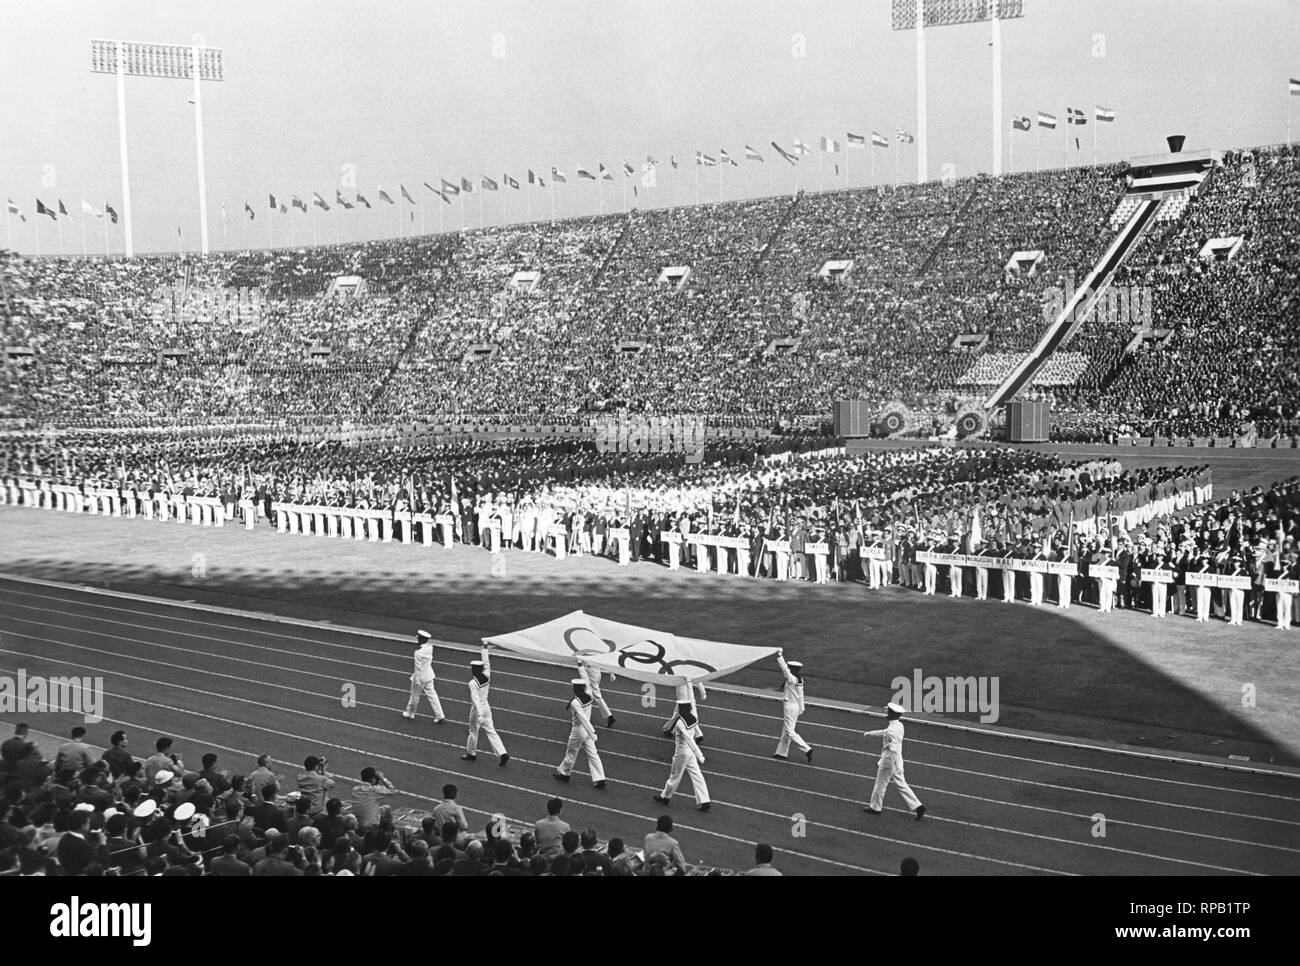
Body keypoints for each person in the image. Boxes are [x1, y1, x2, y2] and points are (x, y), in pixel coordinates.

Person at [863, 702, 925, 820]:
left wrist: (898, 765)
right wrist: (872, 733)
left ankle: (875, 807)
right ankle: (918, 806)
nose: (887, 713)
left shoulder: (892, 730)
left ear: (892, 714)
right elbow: (885, 731)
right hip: (896, 762)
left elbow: (894, 749)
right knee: (902, 785)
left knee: (880, 784)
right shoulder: (899, 726)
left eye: (889, 712)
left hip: (889, 762)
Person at [653, 704, 711, 812]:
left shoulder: (680, 722)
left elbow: (688, 738)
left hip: (682, 752)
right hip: (690, 753)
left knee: (674, 776)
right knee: (697, 775)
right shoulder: (693, 718)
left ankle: (665, 797)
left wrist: (700, 755)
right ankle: (704, 801)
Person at [554, 679, 607, 788]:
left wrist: (593, 731)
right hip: (587, 731)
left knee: (571, 752)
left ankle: (565, 774)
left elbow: (583, 718)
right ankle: (600, 778)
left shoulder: (575, 702)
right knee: (593, 754)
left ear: (575, 689)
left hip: (578, 731)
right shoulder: (589, 696)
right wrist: (591, 732)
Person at [462, 646, 509, 765]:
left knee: (473, 731)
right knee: (491, 730)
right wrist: (485, 648)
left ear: (475, 670)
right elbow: (487, 663)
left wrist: (479, 714)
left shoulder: (472, 683)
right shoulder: (487, 675)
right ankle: (502, 752)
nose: (471, 670)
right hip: (487, 706)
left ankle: (471, 753)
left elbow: (475, 699)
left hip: (478, 710)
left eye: (473, 668)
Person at [772, 649, 813, 763]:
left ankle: (807, 749)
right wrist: (802, 708)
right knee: (785, 730)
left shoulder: (792, 678)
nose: (788, 668)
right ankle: (781, 753)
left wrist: (780, 655)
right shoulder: (799, 679)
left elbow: (784, 669)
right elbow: (801, 696)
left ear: (793, 669)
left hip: (789, 706)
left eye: (790, 667)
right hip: (795, 706)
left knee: (789, 731)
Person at [402, 629, 445, 723]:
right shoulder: (430, 648)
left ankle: (411, 713)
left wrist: (417, 680)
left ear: (421, 639)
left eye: (418, 637)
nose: (417, 639)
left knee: (414, 696)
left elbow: (418, 668)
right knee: (433, 696)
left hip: (420, 678)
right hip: (429, 675)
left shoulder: (418, 653)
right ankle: (440, 715)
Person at [577, 658, 616, 728]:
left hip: (591, 672)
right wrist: (611, 673)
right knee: (588, 693)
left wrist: (579, 662)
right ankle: (583, 715)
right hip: (596, 673)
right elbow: (607, 660)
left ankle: (609, 716)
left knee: (594, 695)